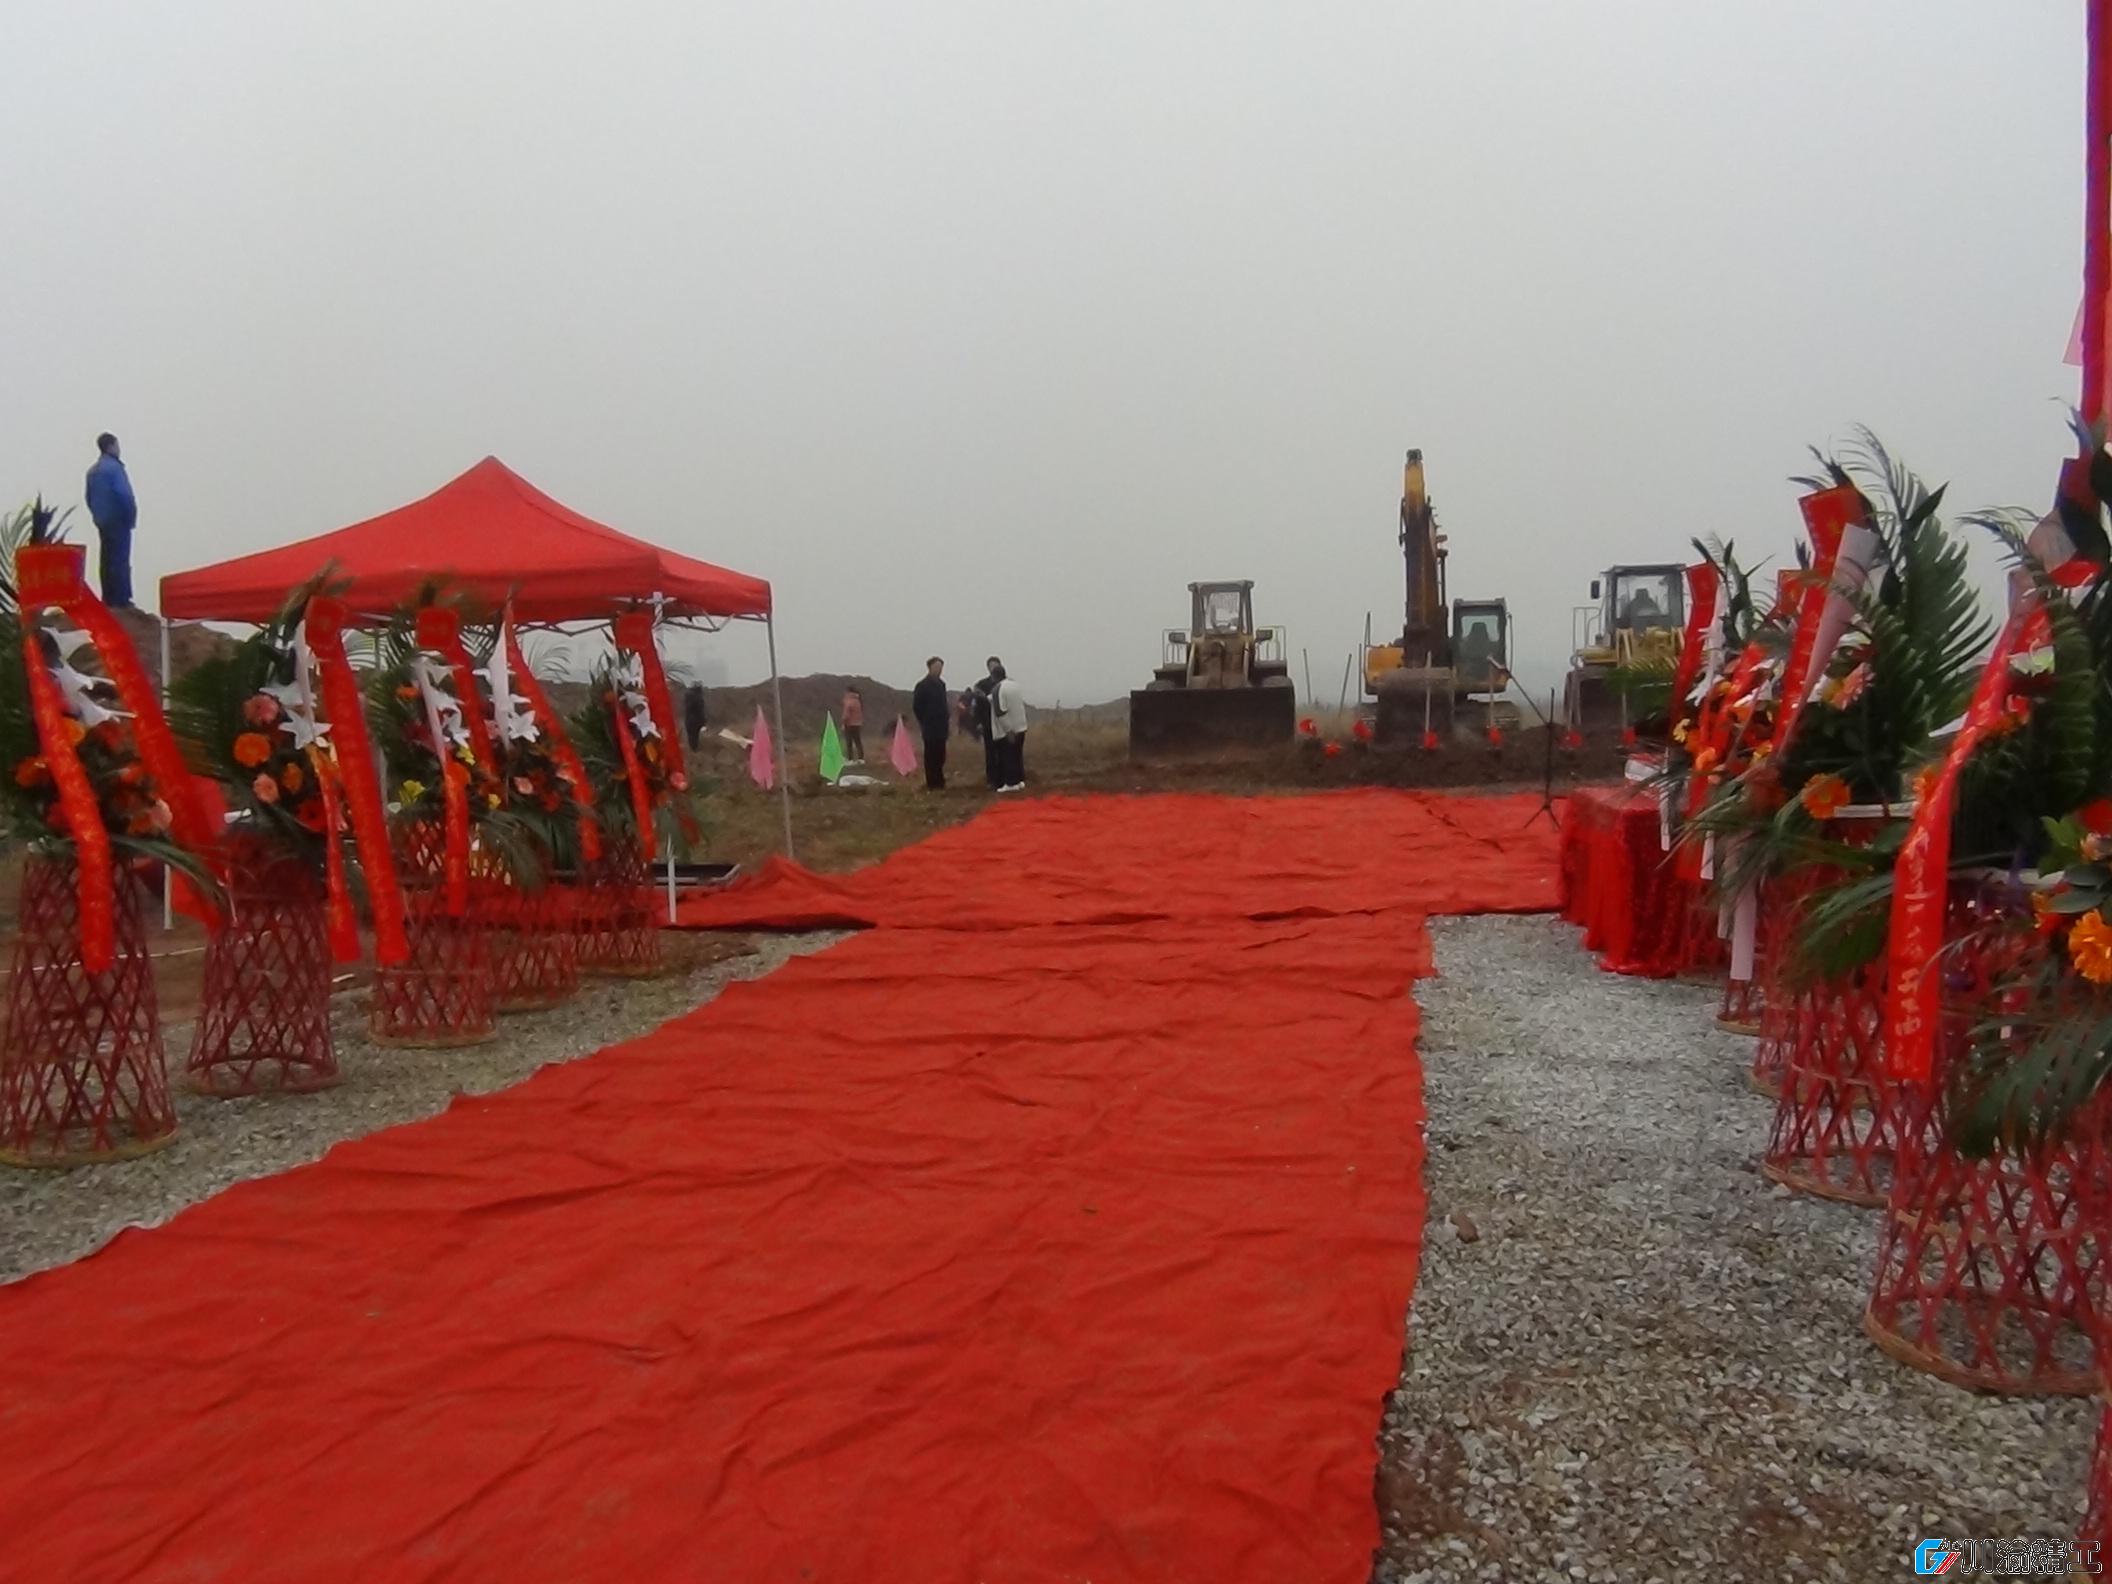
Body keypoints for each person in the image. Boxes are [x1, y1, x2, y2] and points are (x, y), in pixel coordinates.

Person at [83, 433, 137, 609]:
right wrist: (131, 515)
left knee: (106, 559)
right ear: (111, 446)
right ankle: (121, 599)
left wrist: (96, 516)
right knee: (120, 559)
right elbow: (124, 494)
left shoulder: (92, 471)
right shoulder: (114, 468)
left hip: (103, 521)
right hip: (118, 519)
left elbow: (88, 497)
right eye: (117, 445)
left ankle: (108, 597)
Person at [911, 657, 950, 791]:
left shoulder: (942, 684)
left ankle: (940, 780)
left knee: (940, 754)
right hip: (929, 726)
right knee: (931, 755)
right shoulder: (922, 685)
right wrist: (924, 720)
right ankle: (932, 783)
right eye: (937, 667)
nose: (939, 670)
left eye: (941, 667)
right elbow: (917, 706)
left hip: (942, 726)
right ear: (930, 667)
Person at [989, 662, 1028, 792]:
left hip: (1007, 731)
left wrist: (1008, 730)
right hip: (1021, 726)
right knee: (1017, 756)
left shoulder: (997, 689)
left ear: (993, 677)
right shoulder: (1015, 685)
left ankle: (1010, 783)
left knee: (1007, 757)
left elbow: (1000, 711)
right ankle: (1019, 780)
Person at [972, 658, 1003, 789]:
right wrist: (978, 721)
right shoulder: (981, 685)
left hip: (1002, 723)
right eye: (991, 666)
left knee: (1003, 751)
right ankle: (991, 779)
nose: (993, 668)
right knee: (990, 752)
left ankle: (1004, 777)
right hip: (988, 722)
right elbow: (976, 706)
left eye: (996, 665)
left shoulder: (1005, 683)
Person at [841, 686, 865, 763]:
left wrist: (843, 723)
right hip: (857, 724)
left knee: (849, 742)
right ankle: (861, 758)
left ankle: (850, 759)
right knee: (858, 742)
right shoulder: (858, 701)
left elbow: (846, 714)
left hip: (849, 724)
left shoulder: (848, 701)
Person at [682, 682, 708, 751]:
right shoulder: (699, 698)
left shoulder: (688, 697)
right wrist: (704, 722)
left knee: (691, 736)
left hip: (688, 720)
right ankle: (695, 749)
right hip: (696, 721)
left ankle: (692, 749)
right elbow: (700, 712)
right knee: (695, 736)